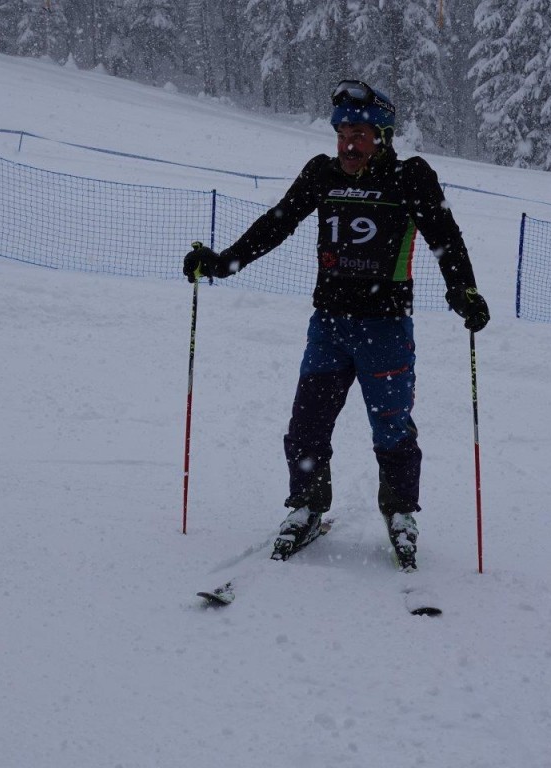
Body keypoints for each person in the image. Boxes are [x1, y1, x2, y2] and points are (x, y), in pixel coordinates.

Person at [183, 79, 488, 571]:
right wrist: (223, 263)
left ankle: (401, 514)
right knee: (307, 422)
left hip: (386, 329)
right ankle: (306, 508)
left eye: (359, 134)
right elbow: (278, 222)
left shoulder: (410, 177)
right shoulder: (321, 173)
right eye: (342, 133)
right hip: (328, 327)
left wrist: (463, 291)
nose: (348, 144)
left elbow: (445, 238)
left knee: (392, 427)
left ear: (382, 137)